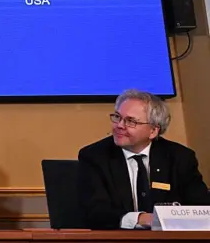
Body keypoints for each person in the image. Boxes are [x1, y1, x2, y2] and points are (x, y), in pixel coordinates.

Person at [77, 89, 210, 230]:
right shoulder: (94, 156)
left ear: (153, 131)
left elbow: (201, 208)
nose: (119, 125)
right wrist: (140, 219)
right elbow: (95, 211)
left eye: (131, 121)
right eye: (117, 117)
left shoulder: (180, 157)